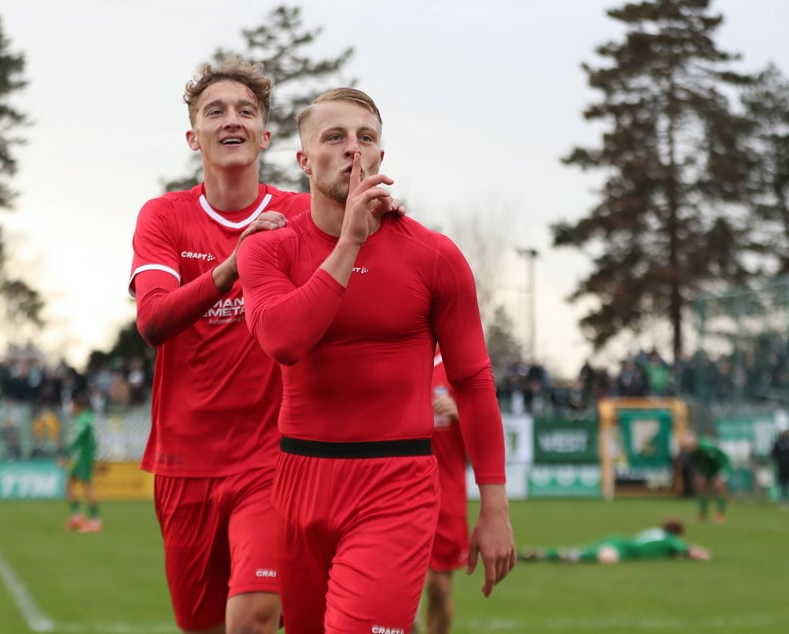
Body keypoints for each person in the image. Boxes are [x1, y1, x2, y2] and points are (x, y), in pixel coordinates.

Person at [237, 87, 515, 633]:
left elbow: (473, 382)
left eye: (366, 138)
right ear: (302, 160)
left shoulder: (434, 256)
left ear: (381, 158)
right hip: (298, 480)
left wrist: (496, 506)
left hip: (397, 482)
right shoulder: (268, 248)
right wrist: (349, 244)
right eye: (334, 138)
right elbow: (283, 340)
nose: (352, 150)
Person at [127, 56, 311, 634]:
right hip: (184, 465)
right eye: (216, 111)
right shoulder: (164, 217)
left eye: (246, 111)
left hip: (272, 458)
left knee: (254, 617)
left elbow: (371, 266)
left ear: (265, 134)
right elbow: (153, 320)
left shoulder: (301, 215)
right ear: (193, 136)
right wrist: (233, 268)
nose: (232, 120)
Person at [412, 352, 471, 634]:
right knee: (395, 589)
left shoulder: (459, 365)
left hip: (446, 493)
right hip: (399, 491)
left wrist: (462, 412)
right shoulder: (397, 354)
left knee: (438, 587)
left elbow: (490, 434)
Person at [519, 519, 711, 563]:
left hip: (619, 541)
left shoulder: (658, 533)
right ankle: (542, 554)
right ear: (677, 533)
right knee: (588, 558)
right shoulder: (671, 540)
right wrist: (705, 555)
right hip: (624, 549)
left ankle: (542, 553)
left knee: (581, 552)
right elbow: (689, 551)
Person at [60, 391, 101, 533]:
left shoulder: (84, 420)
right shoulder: (86, 418)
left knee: (88, 487)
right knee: (69, 485)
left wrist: (65, 455)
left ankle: (95, 521)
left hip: (85, 458)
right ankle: (77, 517)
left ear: (78, 406)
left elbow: (77, 439)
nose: (71, 408)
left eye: (72, 405)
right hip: (83, 457)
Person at [682, 431, 731, 522]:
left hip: (720, 465)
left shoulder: (706, 447)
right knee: (702, 488)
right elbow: (698, 463)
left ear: (694, 442)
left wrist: (720, 475)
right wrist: (700, 474)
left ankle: (720, 514)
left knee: (719, 487)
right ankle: (703, 514)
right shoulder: (690, 452)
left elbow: (718, 460)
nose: (688, 448)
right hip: (707, 469)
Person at [771, 428, 789, 506]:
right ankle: (783, 500)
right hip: (781, 466)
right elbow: (773, 454)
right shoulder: (778, 443)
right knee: (782, 484)